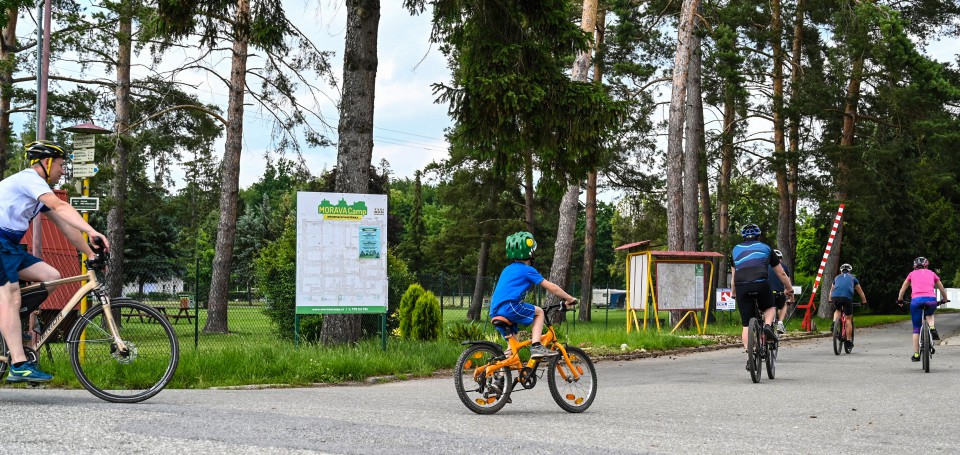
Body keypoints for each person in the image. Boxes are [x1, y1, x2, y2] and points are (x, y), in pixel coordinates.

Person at [0, 140, 109, 382]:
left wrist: (90, 253)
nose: (63, 171)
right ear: (46, 162)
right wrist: (92, 231)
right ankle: (19, 365)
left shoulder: (38, 193)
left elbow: (66, 226)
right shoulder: (29, 179)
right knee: (11, 296)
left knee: (51, 276)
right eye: (60, 165)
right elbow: (60, 206)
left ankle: (8, 317)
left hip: (9, 245)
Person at [489, 231, 577, 359]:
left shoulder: (507, 269)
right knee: (539, 312)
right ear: (530, 253)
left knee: (513, 347)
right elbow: (551, 287)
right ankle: (536, 346)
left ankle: (501, 370)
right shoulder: (527, 270)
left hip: (495, 310)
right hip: (510, 307)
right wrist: (570, 299)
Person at [731, 224, 793, 370]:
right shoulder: (766, 248)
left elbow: (734, 277)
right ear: (758, 236)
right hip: (760, 283)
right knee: (770, 307)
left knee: (746, 324)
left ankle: (750, 356)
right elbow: (781, 273)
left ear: (743, 237)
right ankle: (767, 326)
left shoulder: (735, 250)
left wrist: (733, 293)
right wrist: (789, 288)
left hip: (741, 285)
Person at [897, 257, 947, 362]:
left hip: (916, 301)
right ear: (926, 265)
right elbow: (941, 288)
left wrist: (900, 300)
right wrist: (945, 299)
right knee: (930, 313)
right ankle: (932, 327)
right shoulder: (932, 273)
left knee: (916, 328)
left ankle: (916, 355)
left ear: (915, 266)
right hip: (931, 300)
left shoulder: (911, 274)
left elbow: (902, 289)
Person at [828, 263, 867, 350]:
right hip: (847, 298)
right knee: (848, 318)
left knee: (838, 310)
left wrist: (830, 299)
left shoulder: (836, 278)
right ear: (850, 271)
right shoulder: (853, 278)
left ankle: (834, 324)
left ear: (841, 271)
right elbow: (860, 291)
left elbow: (831, 290)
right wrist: (864, 301)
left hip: (835, 297)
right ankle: (848, 341)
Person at [768, 249, 791, 334]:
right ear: (780, 259)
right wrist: (791, 297)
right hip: (779, 294)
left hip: (766, 293)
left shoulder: (765, 265)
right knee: (784, 304)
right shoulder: (784, 267)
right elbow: (788, 283)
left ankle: (764, 323)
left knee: (764, 308)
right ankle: (780, 323)